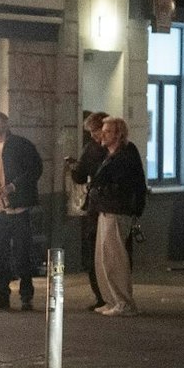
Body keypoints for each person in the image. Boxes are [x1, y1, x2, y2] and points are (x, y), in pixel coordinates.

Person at [0, 111, 43, 311]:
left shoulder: (21, 145)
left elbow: (35, 169)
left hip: (18, 207)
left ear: (6, 123)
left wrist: (14, 186)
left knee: (22, 251)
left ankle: (26, 295)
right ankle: (2, 294)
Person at [87, 116, 147, 316]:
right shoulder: (110, 154)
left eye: (108, 132)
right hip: (106, 209)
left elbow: (124, 186)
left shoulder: (125, 156)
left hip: (117, 210)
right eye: (102, 131)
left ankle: (124, 302)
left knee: (115, 259)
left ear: (119, 135)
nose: (102, 135)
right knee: (103, 258)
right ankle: (111, 299)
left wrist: (99, 191)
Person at [67, 111, 110, 310]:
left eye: (95, 131)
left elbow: (80, 176)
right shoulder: (117, 149)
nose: (93, 136)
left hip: (99, 205)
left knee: (95, 251)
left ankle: (103, 296)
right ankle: (106, 296)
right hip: (103, 204)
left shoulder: (93, 149)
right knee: (103, 251)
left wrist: (74, 167)